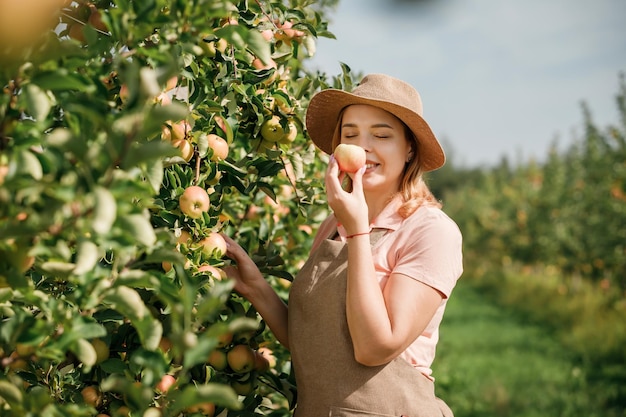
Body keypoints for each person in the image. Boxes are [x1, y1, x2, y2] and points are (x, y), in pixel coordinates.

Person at [223, 73, 463, 417]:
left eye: (381, 135)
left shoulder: (429, 231)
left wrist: (358, 233)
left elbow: (374, 348)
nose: (362, 146)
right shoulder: (333, 226)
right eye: (350, 134)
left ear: (409, 148)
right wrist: (255, 288)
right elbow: (318, 344)